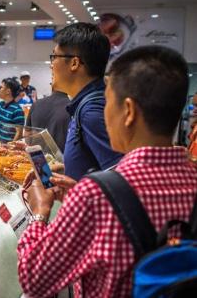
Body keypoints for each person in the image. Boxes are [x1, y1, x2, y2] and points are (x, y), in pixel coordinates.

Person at [17, 46, 197, 298]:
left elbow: (34, 280)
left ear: (129, 111)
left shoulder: (96, 195)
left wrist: (39, 213)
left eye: (107, 102)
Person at [51, 22, 122, 181]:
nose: (51, 65)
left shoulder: (91, 111)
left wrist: (78, 191)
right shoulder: (87, 104)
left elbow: (122, 180)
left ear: (74, 63)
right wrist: (67, 169)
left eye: (54, 57)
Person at [25, 80, 70, 152]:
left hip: (38, 156)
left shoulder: (36, 104)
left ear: (52, 86)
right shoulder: (72, 107)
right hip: (59, 159)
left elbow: (27, 133)